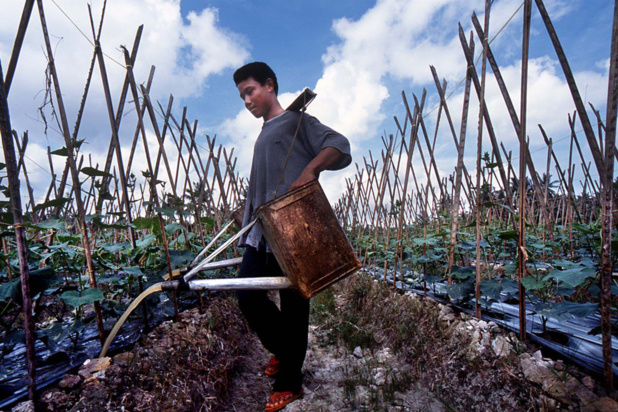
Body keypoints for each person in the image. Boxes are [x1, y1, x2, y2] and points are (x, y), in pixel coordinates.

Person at [233, 62, 352, 411]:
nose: (246, 100)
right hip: (262, 230)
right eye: (242, 96)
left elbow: (339, 144)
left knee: (295, 304)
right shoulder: (266, 131)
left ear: (270, 85)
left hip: (295, 227)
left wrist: (310, 170)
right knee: (248, 296)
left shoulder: (298, 121)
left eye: (250, 90)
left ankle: (290, 381)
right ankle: (287, 354)